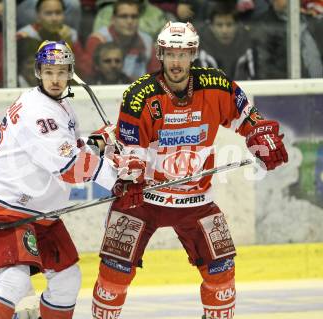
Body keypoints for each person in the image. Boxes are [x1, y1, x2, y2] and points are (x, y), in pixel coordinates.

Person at [88, 21, 288, 319]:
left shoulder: (217, 86)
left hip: (196, 200)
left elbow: (248, 116)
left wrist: (260, 135)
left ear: (193, 54)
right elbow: (132, 149)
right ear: (161, 54)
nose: (176, 61)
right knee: (113, 274)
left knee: (222, 274)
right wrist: (129, 178)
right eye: (170, 54)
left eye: (183, 54)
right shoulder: (139, 95)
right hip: (143, 199)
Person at [0, 40, 146, 319]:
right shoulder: (37, 111)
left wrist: (101, 142)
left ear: (70, 73)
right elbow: (70, 168)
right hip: (7, 205)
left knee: (67, 279)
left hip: (39, 209)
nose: (55, 78)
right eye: (49, 71)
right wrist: (118, 177)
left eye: (62, 71)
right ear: (39, 71)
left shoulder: (59, 104)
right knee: (15, 279)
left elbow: (75, 149)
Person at [86, 0, 160, 81]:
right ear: (113, 19)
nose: (130, 21)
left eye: (134, 17)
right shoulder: (98, 40)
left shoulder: (147, 41)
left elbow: (155, 77)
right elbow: (89, 76)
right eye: (124, 16)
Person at [17, 0, 89, 78]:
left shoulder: (70, 34)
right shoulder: (25, 35)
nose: (54, 18)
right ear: (38, 16)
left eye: (58, 13)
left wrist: (69, 45)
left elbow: (84, 71)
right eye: (48, 13)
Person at [197, 2, 257, 80]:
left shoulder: (249, 47)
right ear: (211, 27)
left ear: (237, 26)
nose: (224, 31)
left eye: (229, 24)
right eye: (219, 25)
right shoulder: (197, 50)